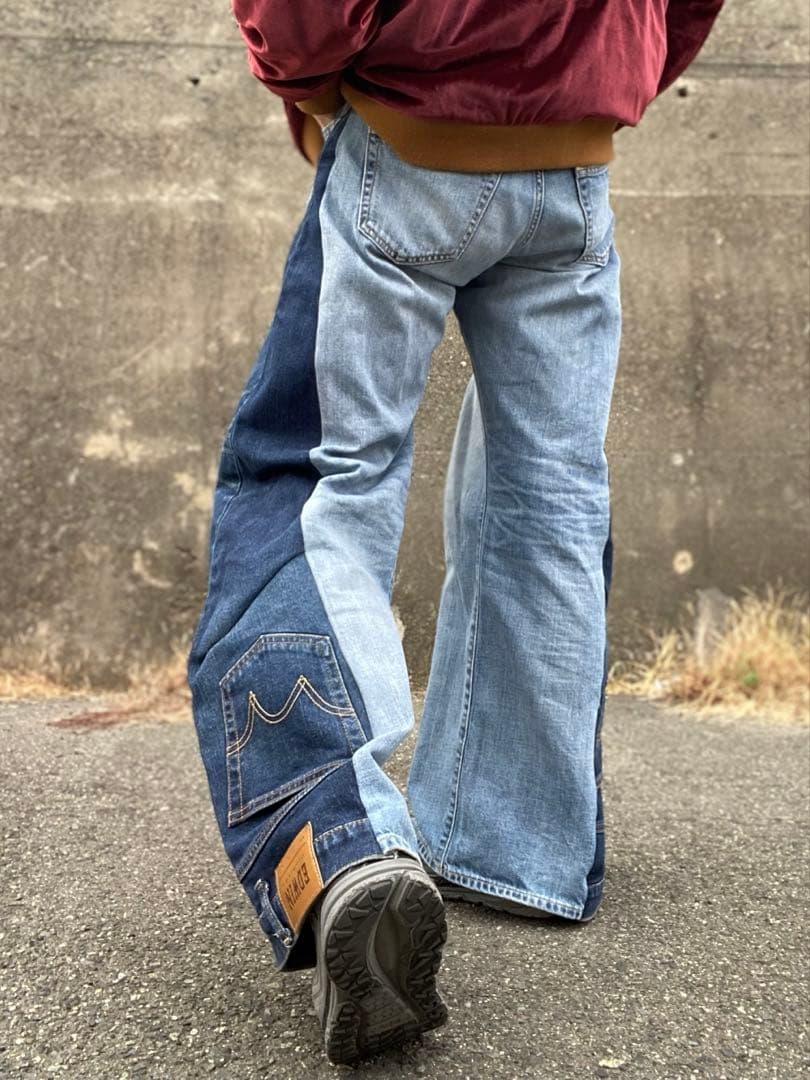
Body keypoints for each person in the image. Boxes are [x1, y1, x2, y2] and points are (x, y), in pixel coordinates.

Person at [187, 0, 725, 1064]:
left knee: (319, 481)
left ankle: (345, 845)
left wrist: (309, 79)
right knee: (551, 497)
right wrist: (606, 71)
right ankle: (519, 850)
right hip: (573, 171)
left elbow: (300, 18)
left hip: (411, 134)